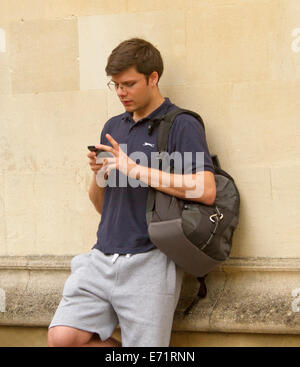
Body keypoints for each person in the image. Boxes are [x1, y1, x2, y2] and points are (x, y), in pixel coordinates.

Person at [48, 38, 216, 347]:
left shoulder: (182, 124)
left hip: (150, 261)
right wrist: (98, 176)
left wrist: (136, 169)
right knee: (63, 338)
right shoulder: (114, 126)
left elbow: (205, 190)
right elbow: (103, 206)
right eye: (116, 86)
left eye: (129, 84)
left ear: (153, 78)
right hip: (101, 255)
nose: (121, 92)